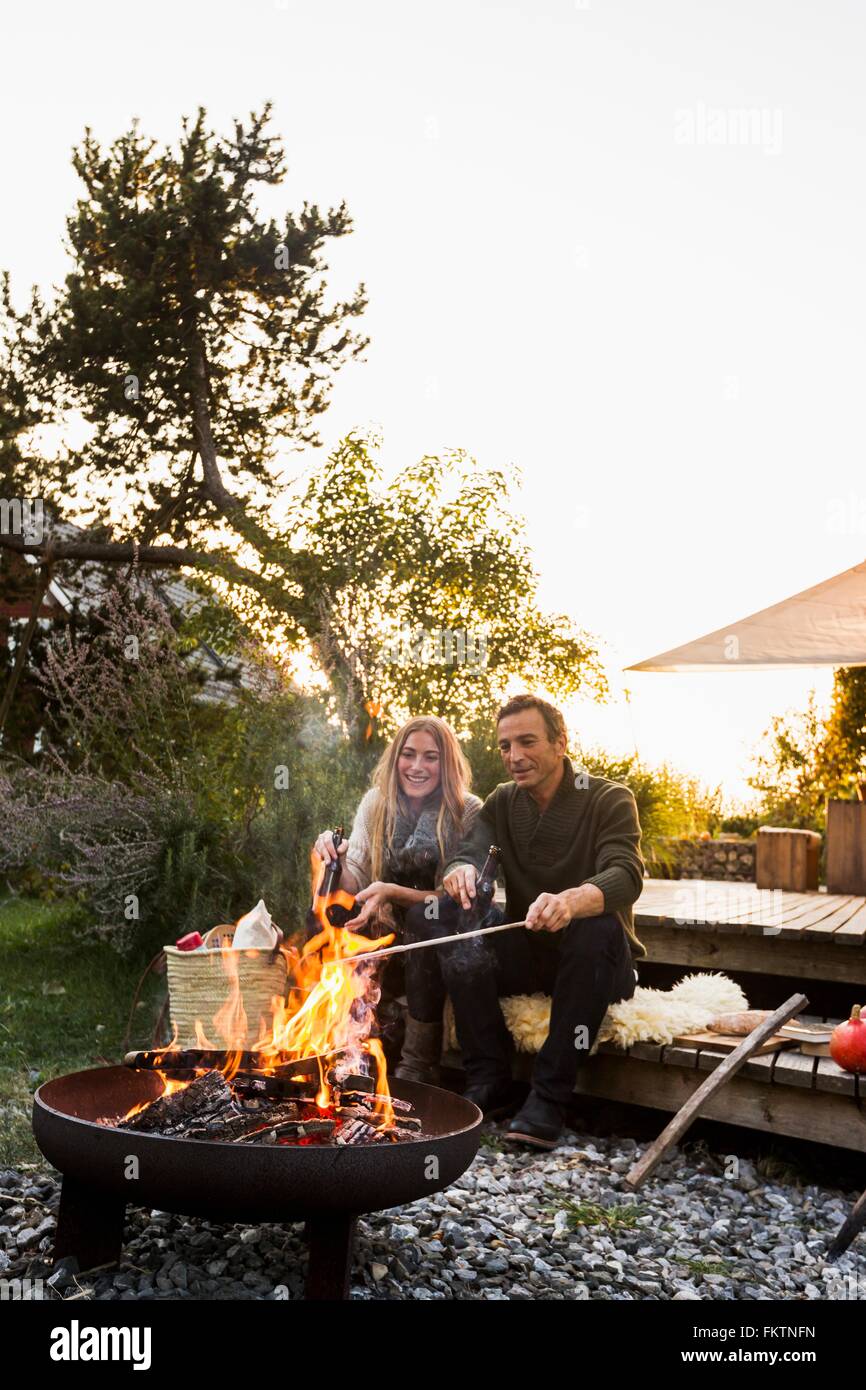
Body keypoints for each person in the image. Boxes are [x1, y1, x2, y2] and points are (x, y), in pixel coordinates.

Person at [402, 693, 646, 1148]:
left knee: (596, 925)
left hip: (600, 962)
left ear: (561, 743)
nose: (514, 757)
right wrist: (461, 872)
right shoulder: (502, 801)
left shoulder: (610, 798)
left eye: (527, 742)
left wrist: (573, 901)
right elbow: (469, 851)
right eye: (505, 746)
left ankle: (549, 1098)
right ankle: (488, 1073)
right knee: (438, 915)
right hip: (531, 954)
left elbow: (626, 874)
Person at [313, 715, 482, 1082]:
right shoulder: (376, 803)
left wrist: (391, 892)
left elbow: (453, 899)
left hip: (438, 940)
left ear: (447, 762)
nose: (417, 766)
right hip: (385, 933)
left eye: (431, 757)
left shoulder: (466, 809)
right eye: (408, 754)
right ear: (395, 759)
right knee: (335, 912)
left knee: (425, 920)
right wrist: (335, 859)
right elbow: (355, 877)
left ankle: (418, 1062)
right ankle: (345, 1048)